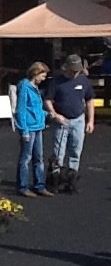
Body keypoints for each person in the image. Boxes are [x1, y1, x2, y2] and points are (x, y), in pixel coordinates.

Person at [44, 54, 95, 193]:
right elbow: (48, 100)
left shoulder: (84, 81)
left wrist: (90, 121)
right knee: (58, 153)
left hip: (78, 119)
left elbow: (90, 100)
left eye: (77, 71)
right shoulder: (56, 81)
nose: (75, 73)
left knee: (75, 151)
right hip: (62, 120)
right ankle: (54, 181)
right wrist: (55, 115)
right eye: (73, 70)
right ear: (66, 68)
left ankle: (71, 181)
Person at [14, 62, 54, 198]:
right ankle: (23, 186)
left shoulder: (35, 88)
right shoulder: (25, 87)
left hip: (38, 127)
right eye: (43, 75)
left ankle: (39, 185)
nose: (44, 78)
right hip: (29, 128)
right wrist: (24, 130)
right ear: (36, 73)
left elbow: (35, 109)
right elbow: (21, 109)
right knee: (26, 158)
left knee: (39, 158)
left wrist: (46, 114)